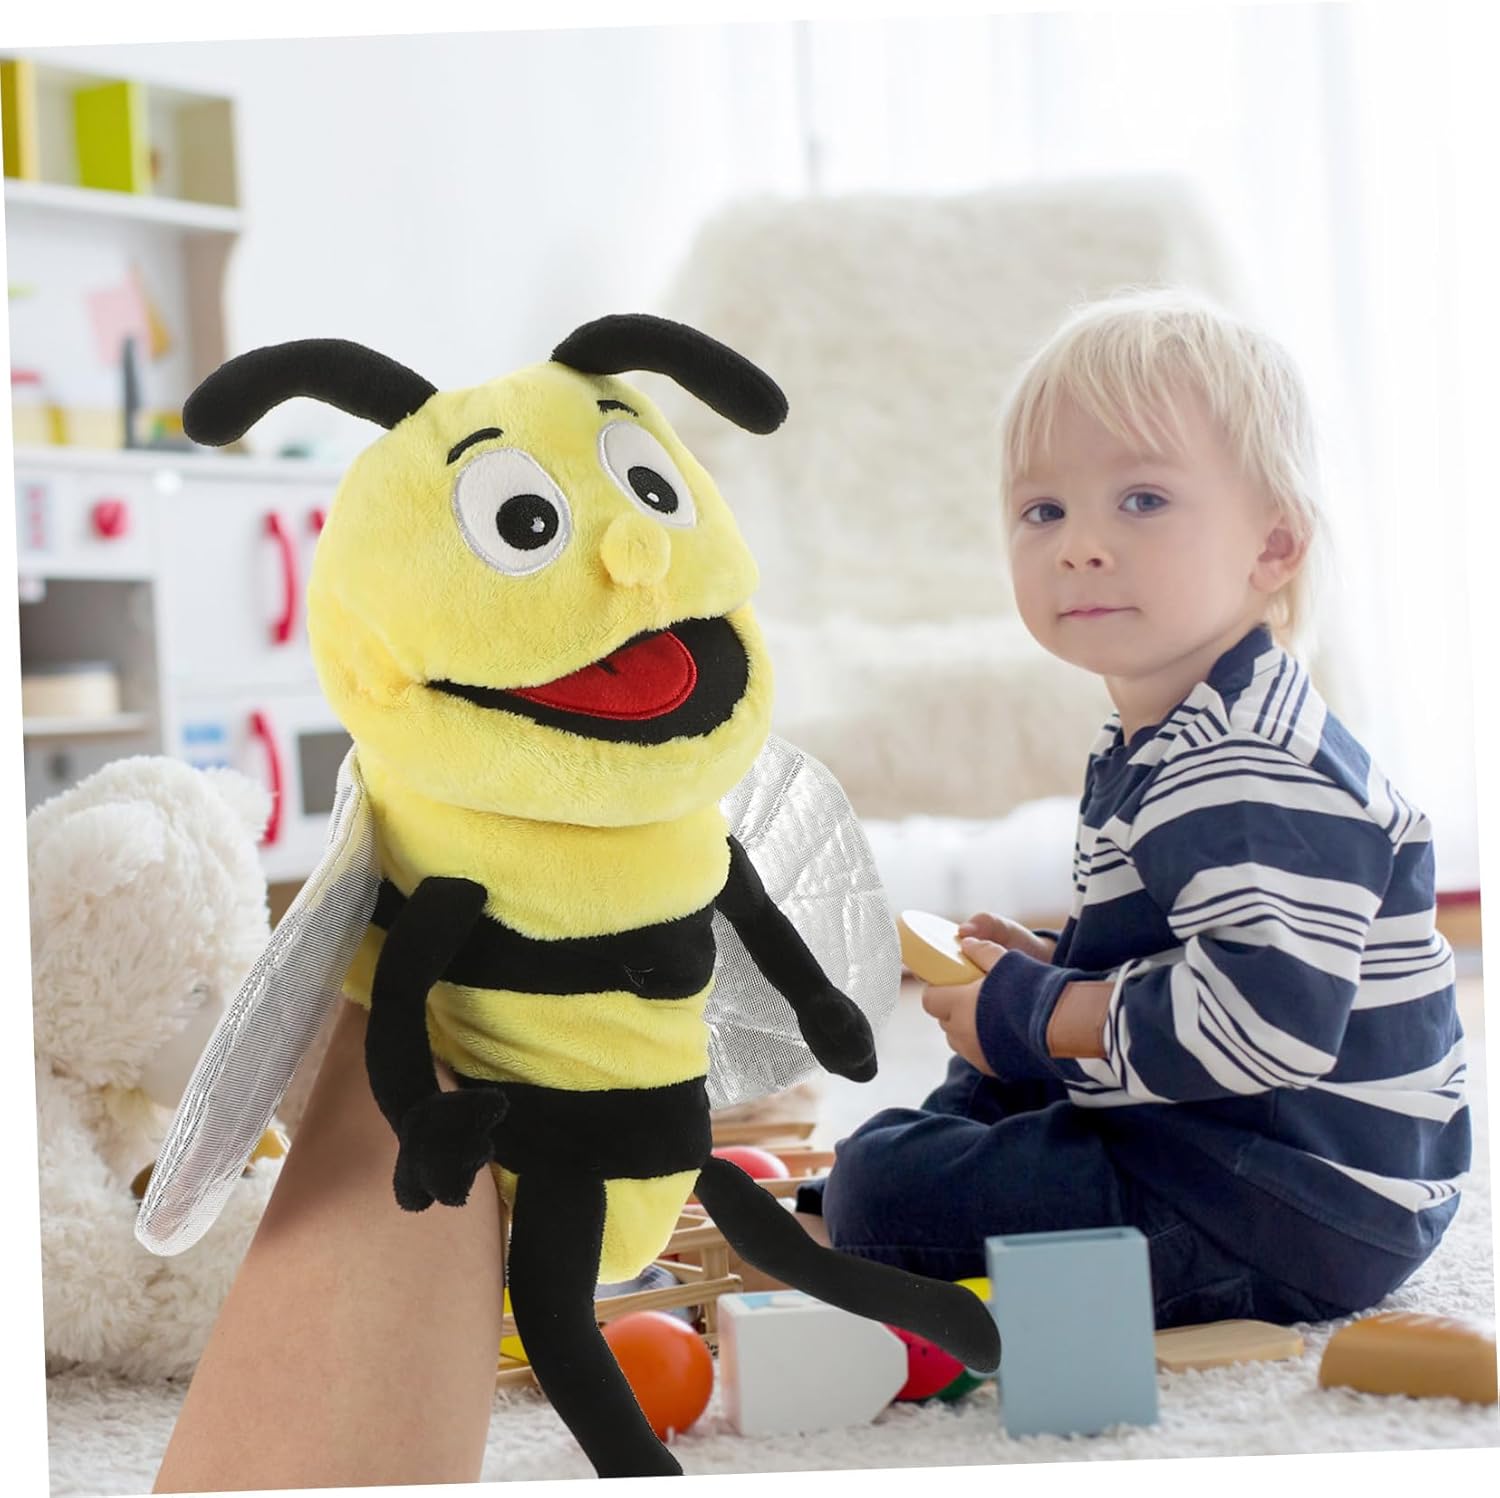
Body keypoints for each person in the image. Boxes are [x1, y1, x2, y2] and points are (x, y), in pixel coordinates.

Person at [797, 288, 1472, 1328]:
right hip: (1238, 1146)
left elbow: (1269, 1027)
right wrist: (1051, 970)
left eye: (1143, 500)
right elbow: (1187, 942)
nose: (1080, 545)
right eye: (1045, 511)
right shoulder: (1179, 732)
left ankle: (879, 1201)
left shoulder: (1246, 770)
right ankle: (912, 1166)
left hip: (1291, 1201)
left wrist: (1043, 1012)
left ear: (1273, 547)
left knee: (888, 1187)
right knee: (988, 1081)